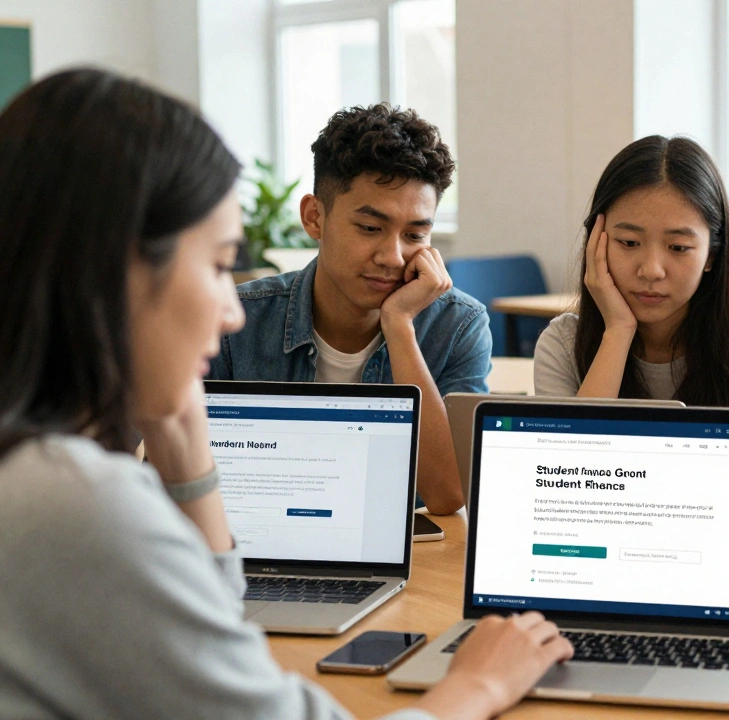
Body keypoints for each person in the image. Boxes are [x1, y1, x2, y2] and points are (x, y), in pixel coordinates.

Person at [0, 68, 569, 720]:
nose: (231, 312)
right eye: (216, 265)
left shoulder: (35, 469)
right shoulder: (77, 504)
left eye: (415, 232)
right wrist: (476, 687)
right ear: (114, 270)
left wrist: (188, 463)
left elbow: (206, 635)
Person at [208, 104, 485, 515]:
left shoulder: (457, 325)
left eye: (414, 234)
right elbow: (175, 484)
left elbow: (448, 495)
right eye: (370, 228)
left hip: (407, 563)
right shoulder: (236, 323)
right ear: (314, 217)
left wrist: (400, 326)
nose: (393, 257)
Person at [534, 135, 729, 408]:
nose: (651, 271)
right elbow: (576, 451)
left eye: (678, 247)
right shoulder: (563, 345)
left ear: (711, 254)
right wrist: (618, 331)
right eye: (629, 242)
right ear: (596, 242)